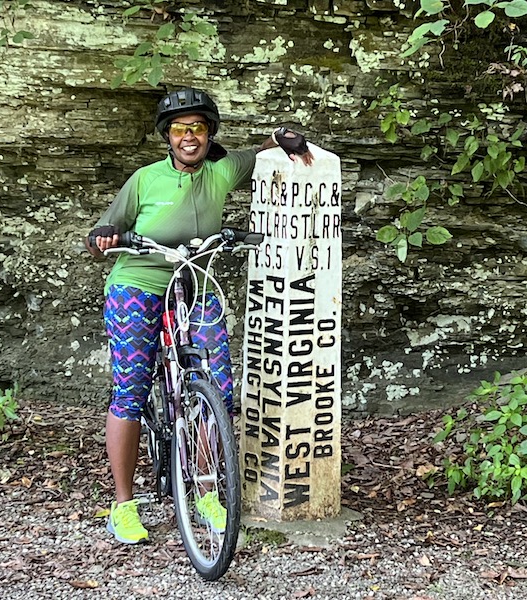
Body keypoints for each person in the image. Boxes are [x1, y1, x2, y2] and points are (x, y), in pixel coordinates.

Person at [85, 87, 314, 545]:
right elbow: (100, 233)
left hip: (194, 281)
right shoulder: (145, 179)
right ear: (167, 136)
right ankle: (123, 504)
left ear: (209, 134)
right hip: (138, 284)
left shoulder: (221, 171)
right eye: (179, 129)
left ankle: (208, 489)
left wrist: (286, 139)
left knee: (218, 388)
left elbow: (258, 153)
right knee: (131, 389)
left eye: (198, 127)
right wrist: (105, 236)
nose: (188, 136)